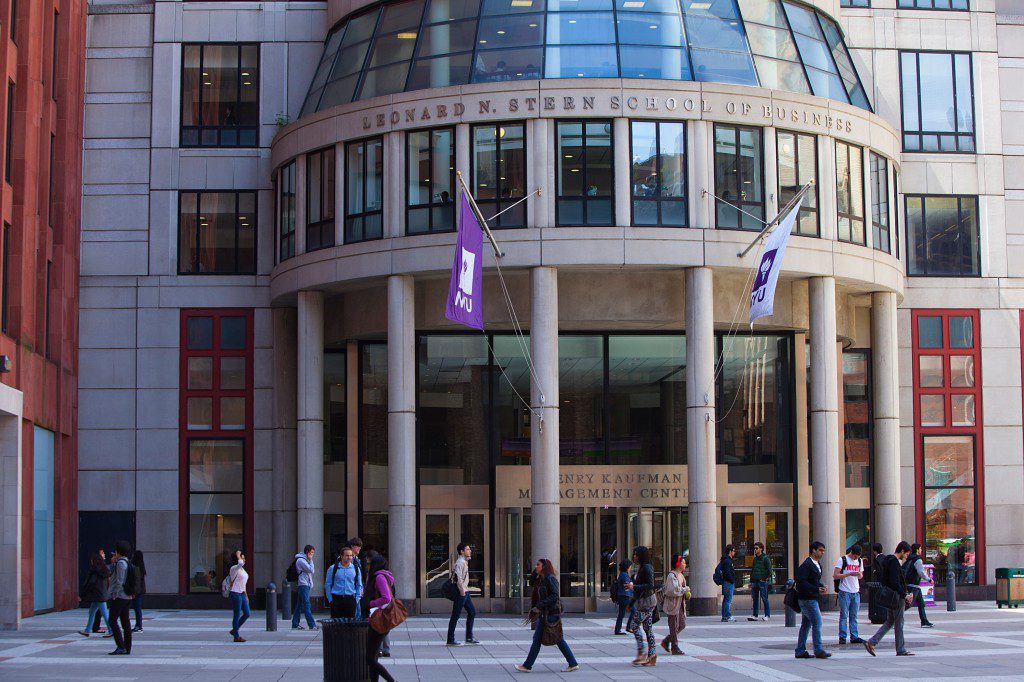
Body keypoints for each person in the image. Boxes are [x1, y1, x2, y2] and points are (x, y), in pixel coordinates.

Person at [514, 558, 579, 673]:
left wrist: (540, 606)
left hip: (551, 613)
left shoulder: (550, 579)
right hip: (546, 613)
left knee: (543, 640)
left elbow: (555, 596)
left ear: (544, 566)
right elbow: (531, 582)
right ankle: (573, 663)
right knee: (556, 639)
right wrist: (535, 572)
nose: (536, 566)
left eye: (538, 565)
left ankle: (527, 666)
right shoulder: (541, 579)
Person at [865, 541, 915, 657]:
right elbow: (895, 582)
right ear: (902, 551)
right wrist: (904, 594)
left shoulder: (887, 560)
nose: (906, 557)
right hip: (896, 597)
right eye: (906, 554)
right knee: (899, 623)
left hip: (890, 596)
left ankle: (872, 642)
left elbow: (886, 580)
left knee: (890, 621)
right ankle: (900, 649)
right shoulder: (893, 562)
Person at [794, 541, 831, 660]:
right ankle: (818, 650)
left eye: (823, 550)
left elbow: (813, 580)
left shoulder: (817, 564)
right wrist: (816, 589)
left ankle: (800, 650)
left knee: (806, 624)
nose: (822, 553)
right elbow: (802, 582)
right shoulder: (807, 564)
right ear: (813, 550)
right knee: (817, 622)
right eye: (820, 550)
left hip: (810, 597)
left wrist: (820, 586)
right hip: (807, 599)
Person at [364, 554, 397, 682]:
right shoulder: (382, 576)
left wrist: (370, 604)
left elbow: (386, 598)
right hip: (379, 619)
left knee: (370, 659)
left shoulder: (379, 577)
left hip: (379, 620)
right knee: (373, 657)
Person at [626, 546, 658, 667]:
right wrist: (631, 603)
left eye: (636, 554)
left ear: (641, 555)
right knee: (647, 628)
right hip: (643, 602)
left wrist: (633, 587)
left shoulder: (647, 568)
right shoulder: (642, 568)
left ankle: (642, 653)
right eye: (634, 554)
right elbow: (639, 590)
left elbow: (650, 585)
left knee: (634, 625)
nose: (634, 556)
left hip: (648, 602)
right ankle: (652, 655)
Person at [447, 542, 479, 646]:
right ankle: (450, 640)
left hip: (465, 591)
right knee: (455, 615)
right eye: (468, 549)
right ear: (462, 551)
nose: (470, 551)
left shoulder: (464, 561)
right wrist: (462, 592)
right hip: (462, 592)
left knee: (472, 612)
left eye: (469, 549)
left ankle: (469, 637)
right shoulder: (460, 562)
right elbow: (458, 578)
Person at [108, 540, 135, 655]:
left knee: (112, 620)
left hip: (120, 596)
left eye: (116, 551)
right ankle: (127, 647)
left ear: (119, 551)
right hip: (128, 596)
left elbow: (119, 581)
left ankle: (120, 646)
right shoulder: (127, 562)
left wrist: (114, 594)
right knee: (125, 621)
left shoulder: (121, 563)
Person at [834, 544, 865, 645]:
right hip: (844, 590)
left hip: (855, 591)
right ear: (851, 553)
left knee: (854, 615)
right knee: (844, 615)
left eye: (858, 557)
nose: (856, 558)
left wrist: (859, 574)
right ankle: (842, 637)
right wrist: (849, 574)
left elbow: (861, 576)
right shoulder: (842, 560)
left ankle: (854, 636)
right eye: (855, 556)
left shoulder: (859, 561)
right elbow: (836, 575)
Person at [660, 554, 688, 656]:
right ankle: (674, 647)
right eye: (683, 562)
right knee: (674, 626)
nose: (685, 564)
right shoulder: (672, 576)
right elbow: (672, 591)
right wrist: (685, 590)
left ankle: (667, 641)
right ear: (678, 564)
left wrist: (686, 593)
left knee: (681, 624)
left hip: (680, 604)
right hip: (672, 604)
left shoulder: (681, 576)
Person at [79, 551, 112, 637]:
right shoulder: (103, 571)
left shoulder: (95, 571)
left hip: (98, 595)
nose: (91, 561)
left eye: (91, 560)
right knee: (92, 611)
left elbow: (91, 583)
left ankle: (111, 630)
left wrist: (83, 594)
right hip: (101, 595)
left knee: (104, 613)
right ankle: (87, 630)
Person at [326, 546, 362, 619]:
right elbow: (328, 584)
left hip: (350, 599)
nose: (349, 557)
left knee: (350, 624)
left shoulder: (355, 568)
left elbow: (359, 585)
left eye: (351, 556)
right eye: (347, 555)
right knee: (335, 624)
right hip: (336, 599)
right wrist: (330, 599)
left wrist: (357, 599)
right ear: (341, 556)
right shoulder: (333, 568)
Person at [905, 543, 934, 628]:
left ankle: (924, 621)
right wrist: (929, 579)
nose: (921, 550)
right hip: (913, 585)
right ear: (917, 550)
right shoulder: (917, 559)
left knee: (921, 604)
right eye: (920, 549)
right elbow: (921, 572)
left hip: (913, 585)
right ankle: (893, 619)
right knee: (907, 604)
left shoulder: (910, 558)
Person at [291, 544, 318, 631]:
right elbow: (311, 570)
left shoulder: (305, 560)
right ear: (307, 552)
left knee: (299, 605)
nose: (312, 555)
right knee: (307, 604)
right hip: (303, 585)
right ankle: (311, 624)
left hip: (305, 584)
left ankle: (295, 624)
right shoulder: (301, 561)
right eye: (311, 553)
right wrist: (311, 560)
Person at [228, 549, 250, 642]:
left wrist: (246, 596)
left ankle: (234, 630)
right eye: (242, 558)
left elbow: (243, 584)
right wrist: (238, 555)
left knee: (247, 613)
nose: (244, 560)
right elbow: (240, 563)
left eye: (244, 558)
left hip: (242, 593)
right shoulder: (234, 568)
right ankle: (236, 636)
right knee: (236, 615)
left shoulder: (242, 569)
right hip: (235, 593)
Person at [748, 542, 772, 621]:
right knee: (755, 599)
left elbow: (769, 571)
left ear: (761, 549)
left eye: (757, 548)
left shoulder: (765, 559)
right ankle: (755, 615)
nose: (755, 550)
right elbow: (753, 570)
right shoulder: (755, 559)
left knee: (764, 598)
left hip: (762, 582)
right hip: (755, 581)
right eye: (754, 548)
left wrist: (764, 578)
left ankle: (767, 615)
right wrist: (751, 581)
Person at [612, 558, 634, 635]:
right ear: (627, 567)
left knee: (621, 614)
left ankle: (617, 630)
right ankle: (629, 627)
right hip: (625, 596)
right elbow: (628, 586)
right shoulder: (624, 575)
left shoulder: (622, 574)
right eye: (630, 566)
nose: (631, 567)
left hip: (621, 596)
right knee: (634, 611)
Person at [716, 545, 737, 622]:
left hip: (726, 582)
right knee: (728, 600)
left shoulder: (725, 560)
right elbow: (728, 573)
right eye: (733, 551)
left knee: (726, 600)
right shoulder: (728, 561)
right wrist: (732, 580)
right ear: (730, 551)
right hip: (728, 583)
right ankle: (727, 615)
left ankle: (724, 616)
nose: (734, 552)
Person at [130, 550, 147, 632]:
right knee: (138, 608)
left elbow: (136, 582)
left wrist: (134, 592)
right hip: (139, 591)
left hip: (136, 591)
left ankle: (139, 625)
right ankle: (139, 625)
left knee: (137, 608)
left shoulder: (135, 567)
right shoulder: (141, 567)